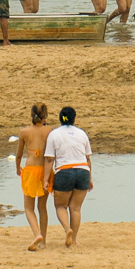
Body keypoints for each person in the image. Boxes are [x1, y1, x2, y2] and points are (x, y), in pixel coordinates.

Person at [44, 106, 93, 248]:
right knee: (76, 208)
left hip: (64, 171)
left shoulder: (54, 134)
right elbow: (87, 159)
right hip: (83, 171)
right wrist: (90, 178)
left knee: (60, 206)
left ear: (60, 118)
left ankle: (67, 229)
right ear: (74, 118)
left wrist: (46, 179)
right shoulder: (82, 134)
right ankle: (74, 240)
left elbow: (49, 159)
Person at [16, 104, 53, 250]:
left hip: (31, 170)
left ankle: (37, 234)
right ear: (45, 116)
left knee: (28, 208)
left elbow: (19, 154)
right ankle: (43, 240)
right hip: (44, 170)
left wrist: (17, 167)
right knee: (42, 207)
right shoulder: (49, 131)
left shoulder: (24, 132)